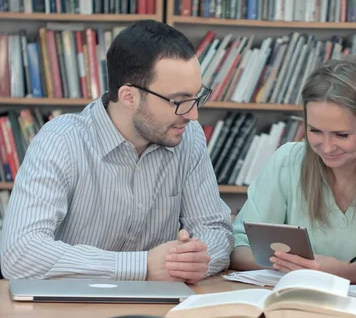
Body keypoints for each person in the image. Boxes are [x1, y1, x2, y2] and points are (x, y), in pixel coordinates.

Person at [0, 20, 233, 283]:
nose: (193, 114)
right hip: (72, 307)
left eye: (197, 97)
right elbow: (19, 254)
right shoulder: (61, 141)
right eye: (179, 102)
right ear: (129, 96)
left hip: (159, 308)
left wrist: (193, 260)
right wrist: (142, 266)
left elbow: (216, 230)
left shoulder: (188, 137)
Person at [229, 56, 356, 283]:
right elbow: (239, 248)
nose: (326, 148)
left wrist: (334, 271)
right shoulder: (287, 161)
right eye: (315, 131)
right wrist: (292, 265)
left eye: (342, 135)